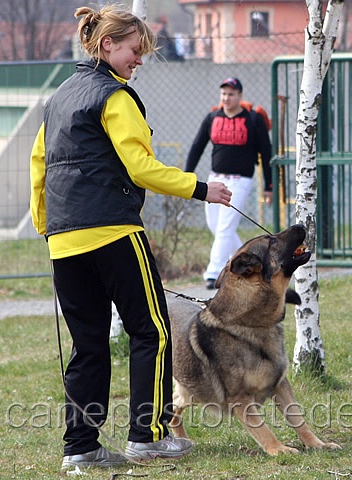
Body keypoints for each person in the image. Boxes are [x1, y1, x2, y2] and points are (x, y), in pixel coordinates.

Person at [29, 5, 232, 472]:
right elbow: (140, 167)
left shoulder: (57, 98)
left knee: (89, 344)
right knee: (151, 330)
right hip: (114, 231)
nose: (138, 60)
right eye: (134, 51)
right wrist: (202, 188)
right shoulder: (114, 97)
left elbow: (38, 163)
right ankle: (148, 436)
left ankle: (80, 447)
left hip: (64, 240)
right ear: (107, 46)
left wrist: (46, 223)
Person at [185, 77, 272, 289]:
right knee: (217, 227)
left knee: (225, 227)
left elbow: (266, 152)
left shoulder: (253, 119)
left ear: (240, 96)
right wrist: (186, 176)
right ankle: (250, 261)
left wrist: (269, 186)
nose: (226, 97)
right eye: (224, 93)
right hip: (215, 179)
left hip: (239, 181)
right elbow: (197, 147)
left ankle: (213, 273)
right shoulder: (212, 117)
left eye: (231, 94)